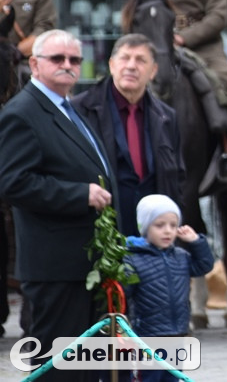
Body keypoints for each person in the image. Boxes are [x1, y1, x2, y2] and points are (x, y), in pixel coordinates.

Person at [0, 29, 115, 379]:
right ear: (35, 64)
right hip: (55, 267)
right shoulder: (22, 112)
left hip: (83, 265)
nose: (68, 65)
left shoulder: (67, 107)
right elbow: (13, 182)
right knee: (58, 368)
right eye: (57, 59)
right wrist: (79, 194)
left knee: (81, 368)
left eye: (75, 60)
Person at [72, 34, 186, 237]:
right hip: (101, 232)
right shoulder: (80, 111)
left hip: (155, 237)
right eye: (125, 58)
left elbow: (178, 178)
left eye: (141, 60)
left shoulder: (167, 117)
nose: (131, 66)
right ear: (112, 65)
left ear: (153, 71)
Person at [124, 194, 214, 381]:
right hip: (149, 337)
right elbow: (124, 294)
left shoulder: (181, 256)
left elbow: (204, 265)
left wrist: (196, 242)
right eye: (160, 225)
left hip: (178, 333)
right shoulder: (133, 259)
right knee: (150, 377)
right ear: (145, 227)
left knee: (173, 377)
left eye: (173, 226)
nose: (167, 231)